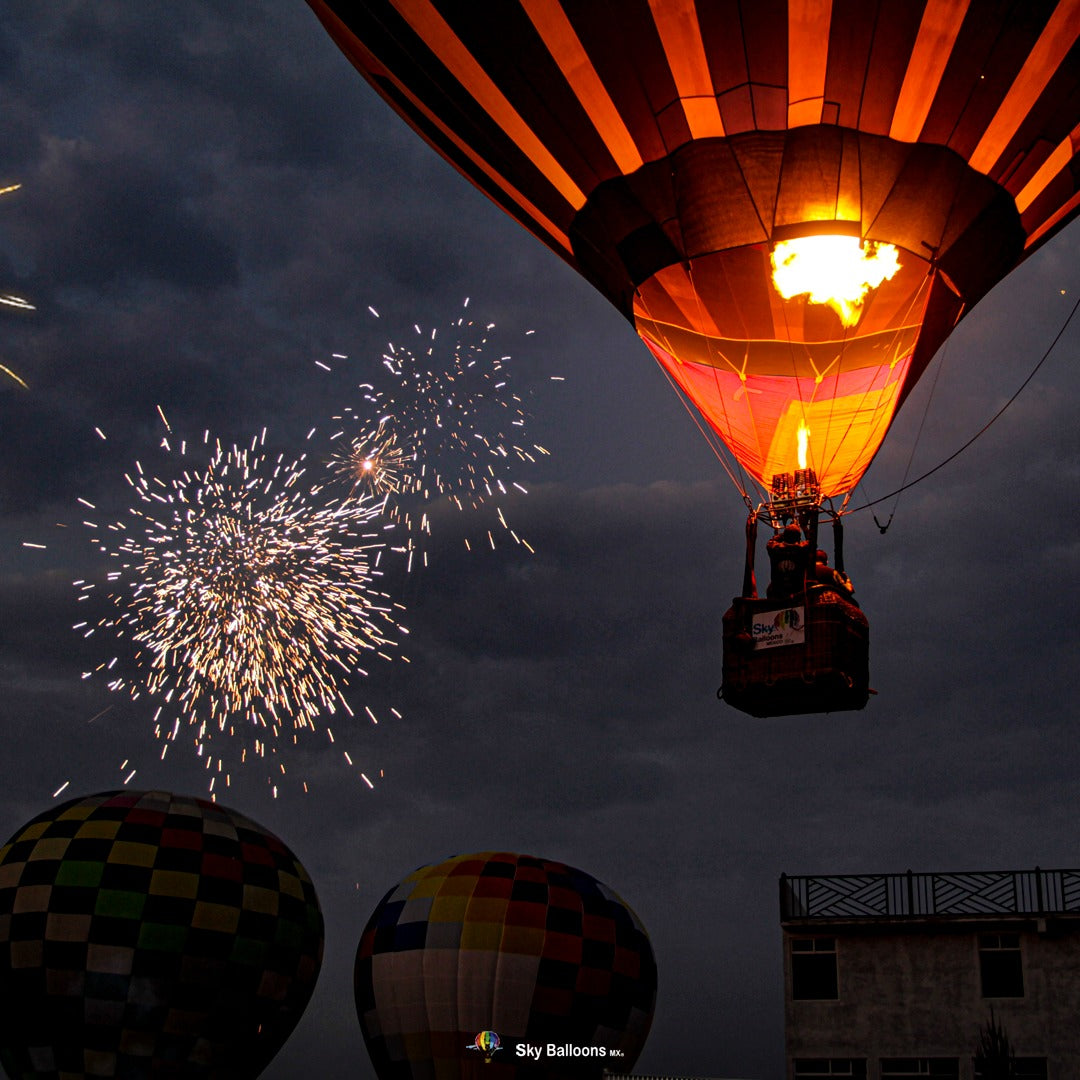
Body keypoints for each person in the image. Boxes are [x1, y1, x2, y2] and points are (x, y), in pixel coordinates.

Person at [765, 523, 809, 599]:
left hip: (777, 592)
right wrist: (804, 527)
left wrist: (783, 534)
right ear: (798, 539)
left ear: (784, 537)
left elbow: (771, 541)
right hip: (798, 593)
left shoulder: (774, 548)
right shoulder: (802, 549)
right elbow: (812, 541)